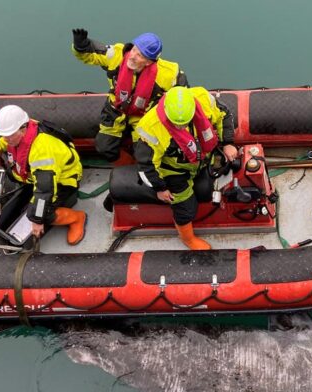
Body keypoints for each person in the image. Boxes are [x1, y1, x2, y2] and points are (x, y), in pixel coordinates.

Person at [0, 105, 87, 245]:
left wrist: (37, 219)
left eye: (9, 135)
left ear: (23, 130)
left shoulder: (42, 150)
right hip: (36, 178)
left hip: (63, 182)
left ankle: (77, 218)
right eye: (4, 135)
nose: (6, 139)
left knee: (42, 213)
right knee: (16, 179)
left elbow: (45, 190)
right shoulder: (15, 135)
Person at [133, 86, 238, 250]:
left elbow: (225, 115)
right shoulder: (151, 128)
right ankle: (188, 238)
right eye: (176, 124)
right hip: (174, 170)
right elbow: (145, 166)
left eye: (184, 123)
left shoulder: (203, 99)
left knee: (228, 168)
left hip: (202, 157)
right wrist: (160, 188)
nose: (180, 127)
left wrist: (228, 143)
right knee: (184, 206)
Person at [71, 28, 188, 162]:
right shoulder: (117, 55)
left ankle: (137, 159)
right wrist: (80, 46)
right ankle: (122, 160)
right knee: (104, 147)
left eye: (139, 55)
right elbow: (90, 54)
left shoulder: (168, 73)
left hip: (143, 117)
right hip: (115, 111)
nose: (132, 56)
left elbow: (183, 95)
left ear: (149, 62)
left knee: (145, 152)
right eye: (134, 50)